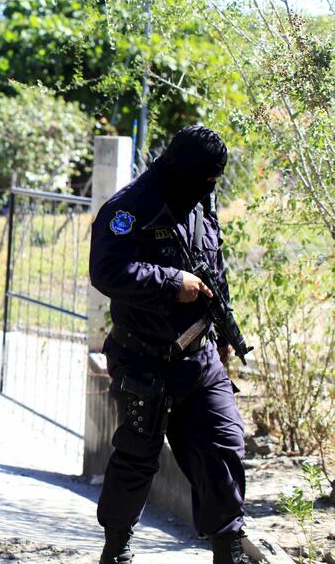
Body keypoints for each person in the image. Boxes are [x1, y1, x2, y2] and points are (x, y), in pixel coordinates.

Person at [89, 125, 250, 564]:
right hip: (143, 356)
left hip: (198, 356)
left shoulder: (199, 200)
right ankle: (117, 546)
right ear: (181, 167)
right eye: (204, 180)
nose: (207, 189)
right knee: (138, 454)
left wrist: (221, 332)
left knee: (224, 443)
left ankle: (228, 548)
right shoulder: (128, 208)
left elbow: (214, 266)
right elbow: (106, 271)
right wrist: (171, 282)